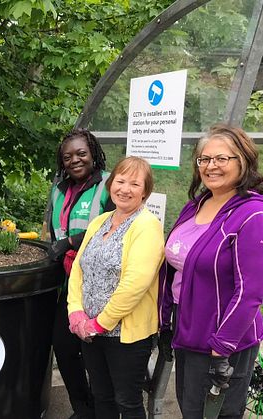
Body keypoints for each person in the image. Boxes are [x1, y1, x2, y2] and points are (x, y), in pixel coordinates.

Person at [158, 124, 263, 419]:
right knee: (192, 411)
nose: (211, 166)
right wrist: (165, 321)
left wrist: (222, 347)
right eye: (204, 159)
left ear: (244, 162)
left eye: (222, 159)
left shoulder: (255, 216)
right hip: (187, 330)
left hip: (221, 340)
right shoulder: (196, 206)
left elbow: (250, 292)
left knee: (215, 414)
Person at [67, 156, 164, 419]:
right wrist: (76, 313)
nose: (125, 189)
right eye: (120, 181)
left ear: (145, 191)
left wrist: (100, 323)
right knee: (101, 397)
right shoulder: (100, 222)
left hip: (125, 336)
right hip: (89, 331)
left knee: (127, 401)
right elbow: (79, 268)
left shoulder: (147, 226)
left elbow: (135, 284)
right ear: (111, 185)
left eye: (134, 184)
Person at [46, 129, 114, 419]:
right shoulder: (59, 189)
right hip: (71, 284)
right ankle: (83, 409)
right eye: (68, 156)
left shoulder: (110, 184)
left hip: (101, 286)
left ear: (93, 153)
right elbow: (53, 231)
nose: (75, 160)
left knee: (95, 354)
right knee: (63, 344)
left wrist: (72, 242)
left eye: (81, 154)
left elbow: (116, 226)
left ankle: (102, 410)